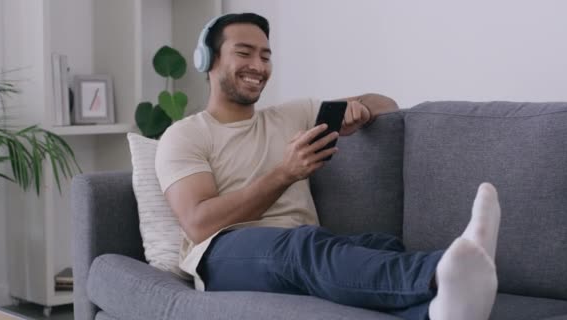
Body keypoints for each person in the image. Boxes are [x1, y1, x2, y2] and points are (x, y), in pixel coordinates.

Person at [155, 12, 501, 320]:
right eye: (244, 53)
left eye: (265, 56)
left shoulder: (294, 115)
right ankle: (443, 272)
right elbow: (200, 223)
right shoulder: (184, 135)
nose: (258, 66)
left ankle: (438, 309)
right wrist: (285, 173)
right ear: (208, 60)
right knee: (302, 249)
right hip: (223, 255)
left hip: (300, 243)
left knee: (378, 247)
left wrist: (361, 108)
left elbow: (387, 104)